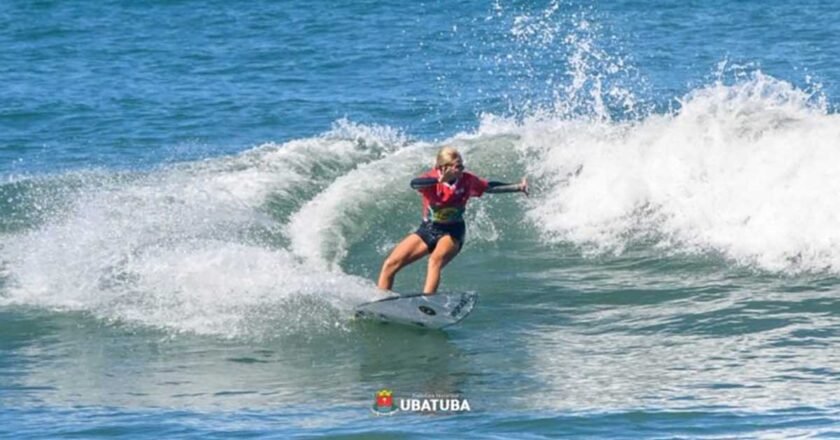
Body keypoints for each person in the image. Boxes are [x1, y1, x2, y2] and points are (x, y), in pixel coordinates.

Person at [377, 146, 528, 295]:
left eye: (462, 165)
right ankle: (380, 302)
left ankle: (427, 303)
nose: (462, 169)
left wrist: (517, 187)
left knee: (434, 261)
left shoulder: (467, 180)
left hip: (452, 232)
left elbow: (488, 187)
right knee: (390, 264)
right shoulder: (430, 179)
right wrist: (438, 180)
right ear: (443, 167)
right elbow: (414, 184)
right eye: (458, 166)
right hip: (428, 229)